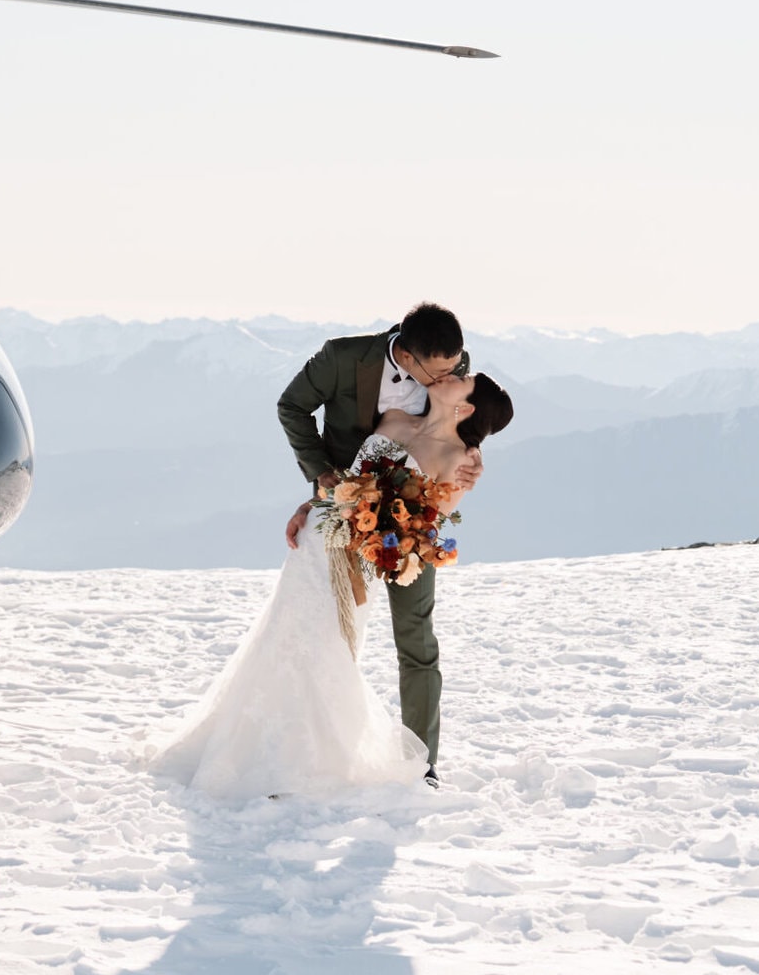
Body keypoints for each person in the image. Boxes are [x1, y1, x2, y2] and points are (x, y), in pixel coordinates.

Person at [153, 366, 513, 800]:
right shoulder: (396, 418)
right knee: (284, 634)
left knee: (325, 645)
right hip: (314, 541)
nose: (451, 374)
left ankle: (305, 759)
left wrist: (371, 530)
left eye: (461, 380)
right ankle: (251, 746)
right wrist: (313, 504)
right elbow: (347, 477)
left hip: (357, 561)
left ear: (465, 408)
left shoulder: (459, 462)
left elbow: (423, 530)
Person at [275, 303, 467, 780]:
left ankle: (422, 766)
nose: (450, 378)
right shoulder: (342, 358)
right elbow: (291, 406)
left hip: (415, 520)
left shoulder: (451, 364)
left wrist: (472, 456)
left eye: (454, 368)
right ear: (408, 355)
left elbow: (467, 423)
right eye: (439, 373)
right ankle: (311, 755)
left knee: (417, 639)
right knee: (328, 632)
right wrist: (322, 478)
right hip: (344, 515)